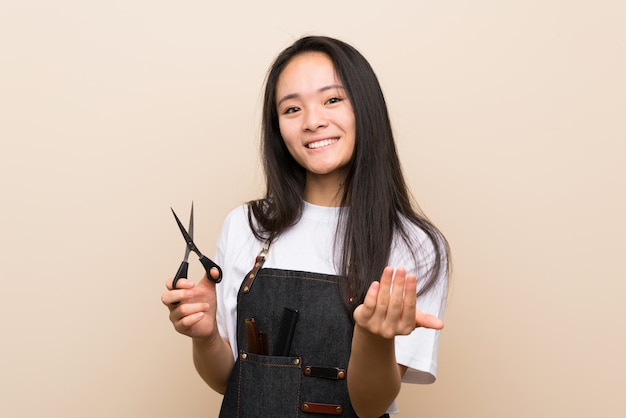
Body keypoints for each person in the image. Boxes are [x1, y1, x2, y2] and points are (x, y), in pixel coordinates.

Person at [162, 35, 450, 418]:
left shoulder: (414, 245)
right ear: (277, 127)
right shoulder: (245, 226)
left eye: (332, 100)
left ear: (366, 108)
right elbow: (230, 381)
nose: (313, 121)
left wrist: (371, 336)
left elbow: (370, 405)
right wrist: (205, 337)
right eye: (292, 109)